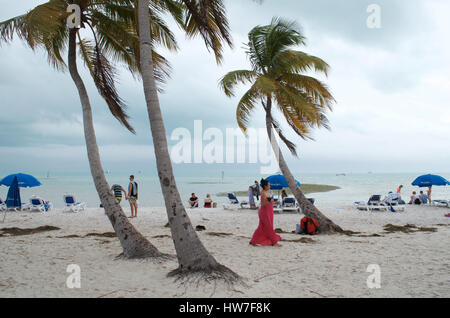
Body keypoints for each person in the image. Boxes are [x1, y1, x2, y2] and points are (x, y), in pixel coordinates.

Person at [250, 178, 282, 247]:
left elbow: (268, 202)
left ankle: (253, 241)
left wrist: (274, 202)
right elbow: (263, 204)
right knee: (268, 227)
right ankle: (274, 242)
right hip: (265, 212)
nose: (270, 186)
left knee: (262, 227)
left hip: (268, 212)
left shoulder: (266, 192)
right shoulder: (263, 193)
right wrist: (270, 201)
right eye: (269, 185)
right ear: (265, 186)